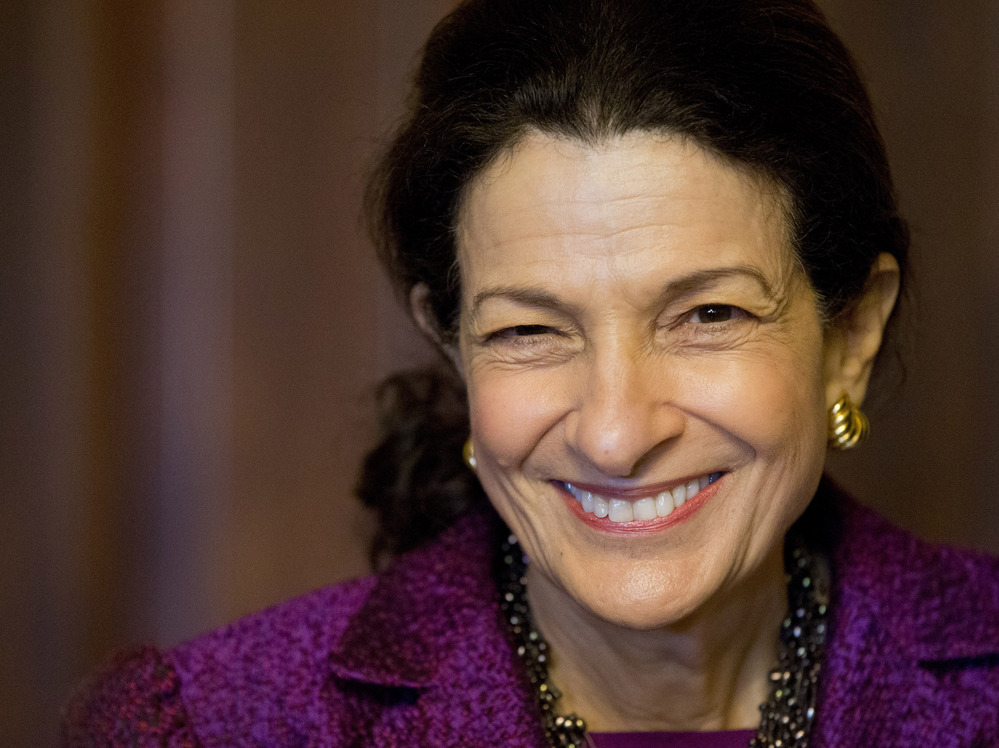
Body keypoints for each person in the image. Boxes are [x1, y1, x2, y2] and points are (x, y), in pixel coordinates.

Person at [64, 0, 999, 745]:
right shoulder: (205, 727)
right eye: (529, 332)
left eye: (707, 315)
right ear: (449, 341)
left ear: (851, 336)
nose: (615, 433)